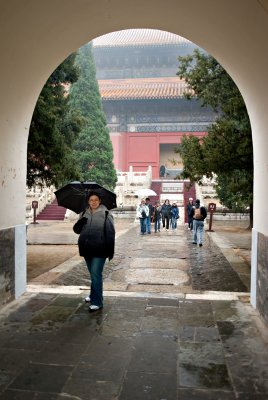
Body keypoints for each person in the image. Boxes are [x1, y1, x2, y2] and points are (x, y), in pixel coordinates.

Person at [73, 191, 115, 312]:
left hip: (100, 249)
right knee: (93, 274)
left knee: (96, 274)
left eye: (96, 200)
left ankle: (98, 302)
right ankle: (92, 296)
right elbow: (77, 230)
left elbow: (111, 233)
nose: (93, 202)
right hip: (86, 247)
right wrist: (80, 223)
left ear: (100, 201)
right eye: (91, 200)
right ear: (88, 201)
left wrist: (110, 251)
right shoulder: (84, 212)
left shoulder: (106, 214)